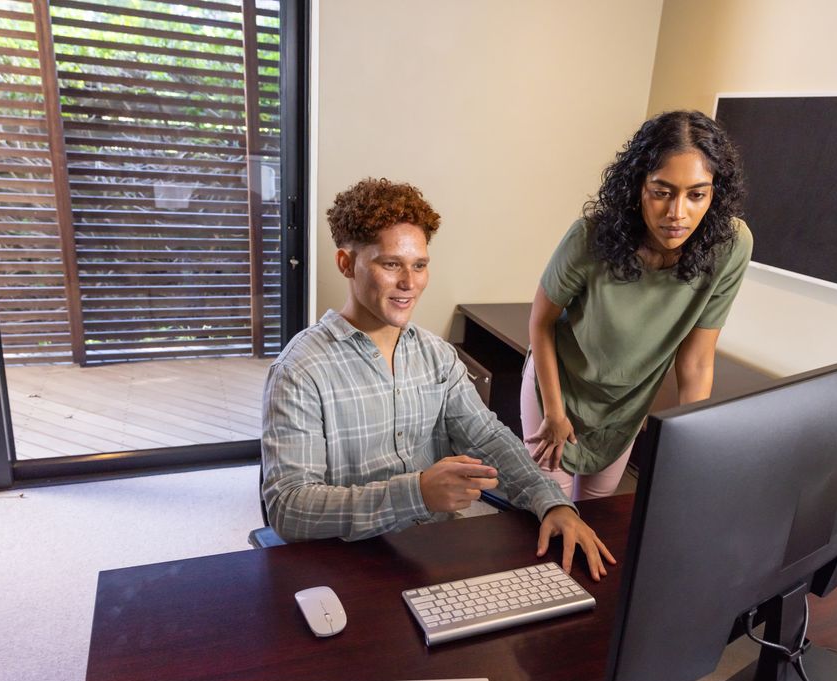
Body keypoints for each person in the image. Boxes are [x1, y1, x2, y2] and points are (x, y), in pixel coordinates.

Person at [262, 177, 616, 580]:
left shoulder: (437, 356)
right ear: (347, 263)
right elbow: (288, 509)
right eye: (390, 264)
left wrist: (550, 501)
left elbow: (489, 439)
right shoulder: (299, 371)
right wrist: (416, 493)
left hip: (432, 554)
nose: (409, 284)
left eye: (419, 265)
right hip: (344, 567)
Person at [522, 110, 752, 500]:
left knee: (598, 511)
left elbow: (696, 362)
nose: (677, 213)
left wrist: (693, 443)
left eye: (696, 194)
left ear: (715, 194)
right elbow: (540, 323)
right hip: (558, 390)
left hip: (625, 406)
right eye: (662, 191)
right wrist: (555, 413)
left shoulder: (730, 247)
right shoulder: (588, 238)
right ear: (637, 187)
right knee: (551, 509)